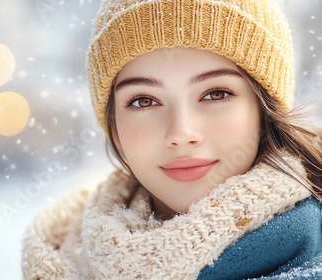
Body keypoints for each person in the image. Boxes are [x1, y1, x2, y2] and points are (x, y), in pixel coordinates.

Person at [22, 0, 322, 279]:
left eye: (216, 94)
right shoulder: (63, 252)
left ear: (265, 111)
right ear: (115, 127)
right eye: (144, 101)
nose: (181, 133)